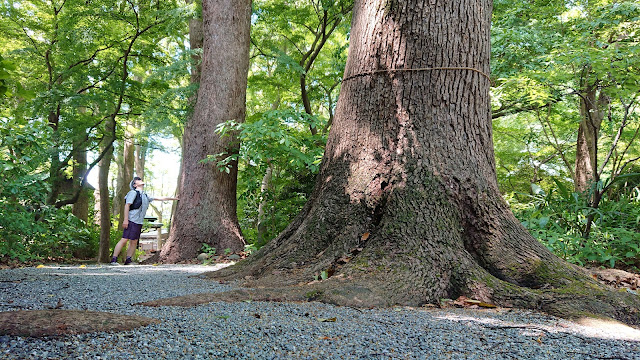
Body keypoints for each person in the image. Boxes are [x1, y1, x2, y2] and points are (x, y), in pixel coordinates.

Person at [110, 176, 179, 265]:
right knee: (124, 239)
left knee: (134, 241)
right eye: (138, 180)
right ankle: (114, 260)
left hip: (139, 221)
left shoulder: (145, 195)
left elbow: (158, 198)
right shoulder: (133, 193)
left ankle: (128, 260)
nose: (140, 180)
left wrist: (173, 198)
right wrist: (125, 220)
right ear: (135, 185)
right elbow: (127, 205)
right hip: (132, 219)